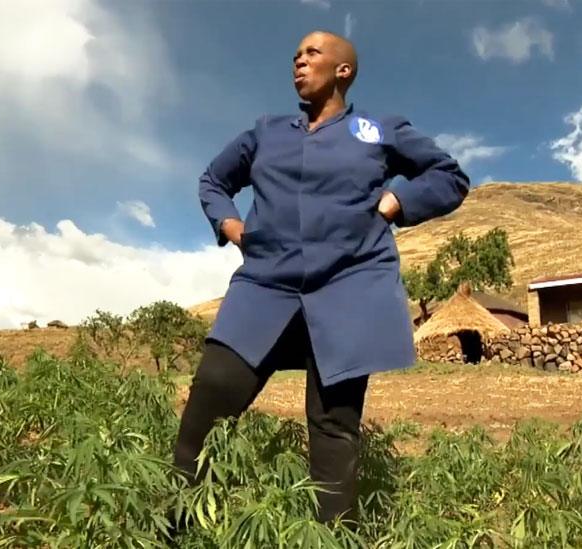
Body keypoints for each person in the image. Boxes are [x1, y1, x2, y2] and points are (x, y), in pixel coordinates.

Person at [173, 30, 470, 526]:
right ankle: (173, 525)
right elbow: (213, 180)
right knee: (209, 399)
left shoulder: (379, 129)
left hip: (348, 288)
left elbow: (449, 176)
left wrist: (398, 201)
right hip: (265, 285)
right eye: (295, 55)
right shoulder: (266, 132)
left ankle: (335, 536)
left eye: (312, 54)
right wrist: (230, 224)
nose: (298, 61)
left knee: (334, 427)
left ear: (343, 71)